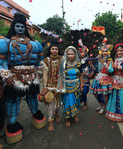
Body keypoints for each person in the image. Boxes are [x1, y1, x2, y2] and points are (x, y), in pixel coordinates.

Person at [0, 13, 46, 144]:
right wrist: (6, 76)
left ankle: (35, 114)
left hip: (32, 77)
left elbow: (40, 60)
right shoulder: (5, 43)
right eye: (17, 26)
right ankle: (12, 124)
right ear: (14, 26)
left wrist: (40, 71)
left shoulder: (35, 44)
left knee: (33, 99)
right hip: (14, 78)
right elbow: (1, 63)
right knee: (13, 103)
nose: (20, 29)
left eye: (22, 27)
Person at [57, 46, 83, 127]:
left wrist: (82, 85)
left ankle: (74, 116)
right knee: (67, 102)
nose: (70, 56)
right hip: (67, 87)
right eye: (69, 54)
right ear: (66, 55)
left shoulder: (78, 64)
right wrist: (60, 86)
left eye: (72, 54)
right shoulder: (64, 64)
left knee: (76, 102)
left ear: (75, 55)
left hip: (76, 86)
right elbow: (61, 75)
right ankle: (67, 119)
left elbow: (81, 75)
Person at [40, 39, 62, 131]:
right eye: (52, 49)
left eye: (56, 49)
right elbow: (44, 74)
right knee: (50, 104)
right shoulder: (46, 60)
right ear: (50, 50)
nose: (54, 51)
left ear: (58, 50)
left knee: (58, 104)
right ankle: (50, 122)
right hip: (49, 85)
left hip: (59, 85)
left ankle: (56, 115)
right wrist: (45, 87)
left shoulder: (62, 59)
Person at [105, 43, 123, 122]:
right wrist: (106, 64)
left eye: (121, 51)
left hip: (122, 80)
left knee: (122, 97)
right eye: (118, 51)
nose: (119, 52)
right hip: (115, 80)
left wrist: (113, 65)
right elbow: (111, 70)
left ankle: (122, 115)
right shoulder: (115, 60)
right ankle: (114, 113)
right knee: (115, 96)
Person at [90, 43, 114, 115]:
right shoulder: (98, 59)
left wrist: (104, 63)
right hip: (98, 78)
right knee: (95, 93)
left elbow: (111, 70)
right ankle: (101, 104)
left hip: (106, 79)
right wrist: (91, 65)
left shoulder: (110, 60)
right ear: (101, 52)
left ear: (108, 52)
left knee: (104, 94)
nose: (104, 53)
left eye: (106, 51)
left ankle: (104, 106)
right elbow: (96, 69)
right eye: (103, 51)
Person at [78, 45, 95, 110]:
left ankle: (85, 103)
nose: (83, 54)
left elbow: (93, 69)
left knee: (84, 91)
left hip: (86, 79)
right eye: (81, 52)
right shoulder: (78, 60)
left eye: (84, 52)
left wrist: (90, 74)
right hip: (79, 78)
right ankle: (80, 101)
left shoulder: (88, 60)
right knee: (79, 91)